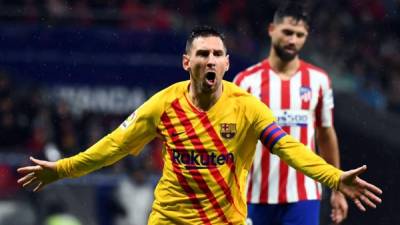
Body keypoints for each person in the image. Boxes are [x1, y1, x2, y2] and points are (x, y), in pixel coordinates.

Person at [17, 26, 382, 225]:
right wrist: (61, 169)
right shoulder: (163, 104)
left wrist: (334, 177)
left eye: (217, 54)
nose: (210, 60)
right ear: (186, 61)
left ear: (226, 63)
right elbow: (112, 147)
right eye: (203, 54)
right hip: (170, 221)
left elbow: (291, 150)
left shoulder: (247, 107)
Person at [233, 2, 348, 225]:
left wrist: (337, 188)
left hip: (303, 196)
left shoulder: (319, 80)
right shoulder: (245, 82)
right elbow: (234, 141)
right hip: (254, 195)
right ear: (271, 30)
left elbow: (325, 134)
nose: (293, 40)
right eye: (287, 32)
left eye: (300, 35)